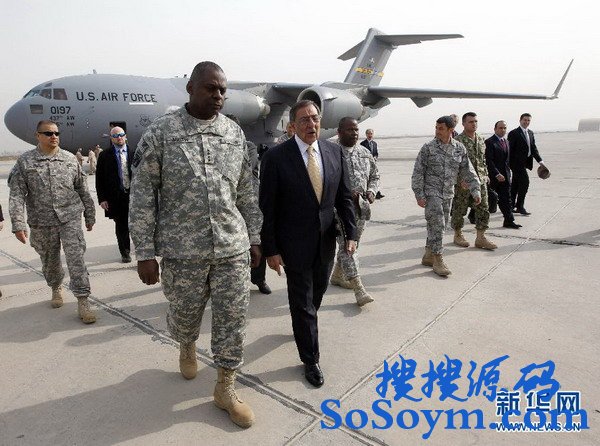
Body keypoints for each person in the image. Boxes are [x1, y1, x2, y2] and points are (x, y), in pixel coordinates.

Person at [129, 61, 261, 428]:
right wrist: (144, 252)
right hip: (183, 251)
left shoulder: (233, 133)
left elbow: (246, 190)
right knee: (185, 315)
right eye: (210, 88)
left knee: (233, 319)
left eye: (223, 90)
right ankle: (186, 344)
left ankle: (225, 387)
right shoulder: (161, 133)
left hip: (231, 247)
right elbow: (142, 195)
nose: (218, 95)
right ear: (190, 88)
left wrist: (254, 236)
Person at [259, 100, 357, 388]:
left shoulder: (334, 152)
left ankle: (302, 325)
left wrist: (351, 233)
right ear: (293, 125)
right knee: (302, 301)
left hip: (325, 241)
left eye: (315, 118)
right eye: (304, 119)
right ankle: (310, 359)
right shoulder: (276, 158)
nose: (311, 124)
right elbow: (267, 208)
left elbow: (343, 197)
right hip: (293, 244)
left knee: (317, 293)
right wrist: (271, 249)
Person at [8, 120, 96, 323]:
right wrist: (18, 224)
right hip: (42, 221)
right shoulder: (25, 162)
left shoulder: (69, 159)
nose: (54, 136)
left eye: (56, 133)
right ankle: (56, 286)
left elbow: (82, 189)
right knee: (50, 261)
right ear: (37, 136)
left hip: (69, 218)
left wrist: (90, 214)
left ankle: (83, 300)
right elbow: (17, 195)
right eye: (48, 133)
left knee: (76, 258)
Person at [411, 116, 481, 277]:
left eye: (441, 128)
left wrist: (475, 190)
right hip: (432, 193)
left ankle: (428, 254)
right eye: (436, 128)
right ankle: (438, 259)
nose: (437, 131)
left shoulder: (459, 148)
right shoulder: (428, 148)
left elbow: (467, 170)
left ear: (451, 130)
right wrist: (419, 194)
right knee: (438, 224)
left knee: (438, 226)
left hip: (448, 193)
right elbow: (418, 172)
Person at [330, 117, 379, 306]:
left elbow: (375, 175)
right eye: (350, 130)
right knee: (347, 246)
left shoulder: (364, 153)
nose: (354, 133)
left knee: (353, 244)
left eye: (356, 129)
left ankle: (337, 275)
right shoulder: (331, 153)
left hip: (360, 209)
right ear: (339, 132)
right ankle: (359, 288)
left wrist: (371, 191)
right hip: (339, 210)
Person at [226, 114, 271, 295]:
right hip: (230, 203)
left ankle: (259, 279)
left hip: (251, 203)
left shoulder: (249, 147)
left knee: (257, 241)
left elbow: (245, 166)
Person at [451, 112, 497, 250]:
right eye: (471, 122)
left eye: (475, 121)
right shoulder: (457, 141)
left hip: (480, 180)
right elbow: (454, 164)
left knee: (483, 208)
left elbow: (483, 160)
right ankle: (458, 234)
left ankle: (480, 237)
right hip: (464, 182)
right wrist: (460, 180)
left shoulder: (481, 139)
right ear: (463, 124)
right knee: (460, 209)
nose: (474, 124)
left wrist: (486, 174)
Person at [96, 126, 135, 263]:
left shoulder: (134, 153)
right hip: (117, 197)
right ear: (111, 138)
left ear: (125, 136)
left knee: (137, 224)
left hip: (134, 196)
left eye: (121, 135)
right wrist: (102, 199)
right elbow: (99, 179)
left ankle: (141, 252)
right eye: (115, 136)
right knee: (121, 226)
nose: (119, 138)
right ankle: (125, 252)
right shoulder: (104, 155)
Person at [507, 113, 546, 215]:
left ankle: (510, 205)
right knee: (525, 183)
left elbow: (533, 148)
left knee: (515, 184)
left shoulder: (530, 133)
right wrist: (509, 164)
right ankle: (520, 206)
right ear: (520, 120)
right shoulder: (514, 133)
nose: (526, 122)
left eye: (528, 120)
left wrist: (540, 162)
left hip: (525, 163)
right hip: (516, 164)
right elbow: (509, 150)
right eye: (525, 120)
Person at [485, 121, 521, 229]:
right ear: (495, 129)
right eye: (500, 128)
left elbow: (507, 160)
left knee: (506, 199)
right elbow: (489, 161)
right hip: (494, 177)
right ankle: (473, 215)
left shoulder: (506, 142)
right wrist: (496, 174)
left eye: (504, 128)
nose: (503, 130)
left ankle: (509, 221)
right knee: (488, 199)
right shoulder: (490, 142)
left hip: (505, 176)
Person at [360, 129, 384, 199]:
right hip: (366, 164)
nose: (370, 135)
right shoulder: (362, 144)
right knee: (367, 178)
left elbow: (376, 153)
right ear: (366, 134)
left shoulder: (374, 143)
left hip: (374, 164)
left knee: (375, 177)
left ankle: (377, 193)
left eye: (371, 134)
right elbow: (362, 154)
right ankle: (366, 193)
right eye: (368, 134)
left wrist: (375, 157)